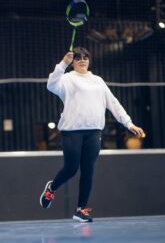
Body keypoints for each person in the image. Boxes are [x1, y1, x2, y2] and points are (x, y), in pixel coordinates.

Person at [39, 47, 145, 222]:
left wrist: (128, 123)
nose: (82, 60)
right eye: (78, 58)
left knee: (88, 171)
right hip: (71, 131)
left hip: (94, 132)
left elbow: (113, 103)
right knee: (72, 168)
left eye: (85, 57)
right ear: (73, 62)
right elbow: (50, 85)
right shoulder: (66, 79)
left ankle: (80, 210)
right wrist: (62, 64)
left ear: (89, 60)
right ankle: (52, 188)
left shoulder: (98, 81)